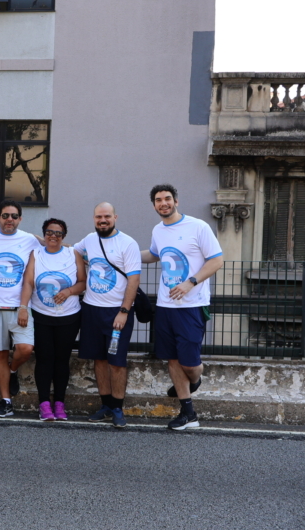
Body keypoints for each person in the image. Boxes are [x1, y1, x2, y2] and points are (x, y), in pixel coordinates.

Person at [141, 184, 224, 431]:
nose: (163, 203)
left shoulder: (198, 227)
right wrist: (124, 255)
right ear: (154, 205)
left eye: (167, 198)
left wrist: (191, 282)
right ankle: (188, 413)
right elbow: (155, 254)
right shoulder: (158, 230)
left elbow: (217, 260)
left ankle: (195, 379)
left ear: (176, 201)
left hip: (192, 305)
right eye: (158, 200)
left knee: (189, 364)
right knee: (173, 359)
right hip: (165, 305)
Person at [74, 203, 141, 428]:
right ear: (94, 218)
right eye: (98, 217)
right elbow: (71, 250)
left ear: (115, 217)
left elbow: (134, 280)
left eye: (107, 216)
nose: (102, 220)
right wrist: (39, 239)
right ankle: (105, 405)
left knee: (116, 362)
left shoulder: (128, 243)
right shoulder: (89, 240)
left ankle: (118, 408)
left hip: (116, 312)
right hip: (91, 309)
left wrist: (124, 311)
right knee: (99, 360)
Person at [0, 200, 38, 418]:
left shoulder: (30, 240)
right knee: (0, 354)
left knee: (26, 348)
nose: (9, 220)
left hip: (21, 306)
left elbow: (53, 247)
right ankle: (6, 402)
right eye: (5, 216)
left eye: (14, 216)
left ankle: (12, 371)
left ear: (20, 219)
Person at [25, 218, 86, 421]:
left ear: (64, 236)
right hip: (41, 315)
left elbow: (83, 282)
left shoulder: (73, 253)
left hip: (69, 316)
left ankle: (59, 403)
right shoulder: (36, 254)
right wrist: (23, 308)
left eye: (58, 233)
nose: (53, 236)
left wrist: (68, 291)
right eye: (49, 232)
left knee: (62, 360)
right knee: (44, 360)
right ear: (44, 235)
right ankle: (44, 404)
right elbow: (28, 283)